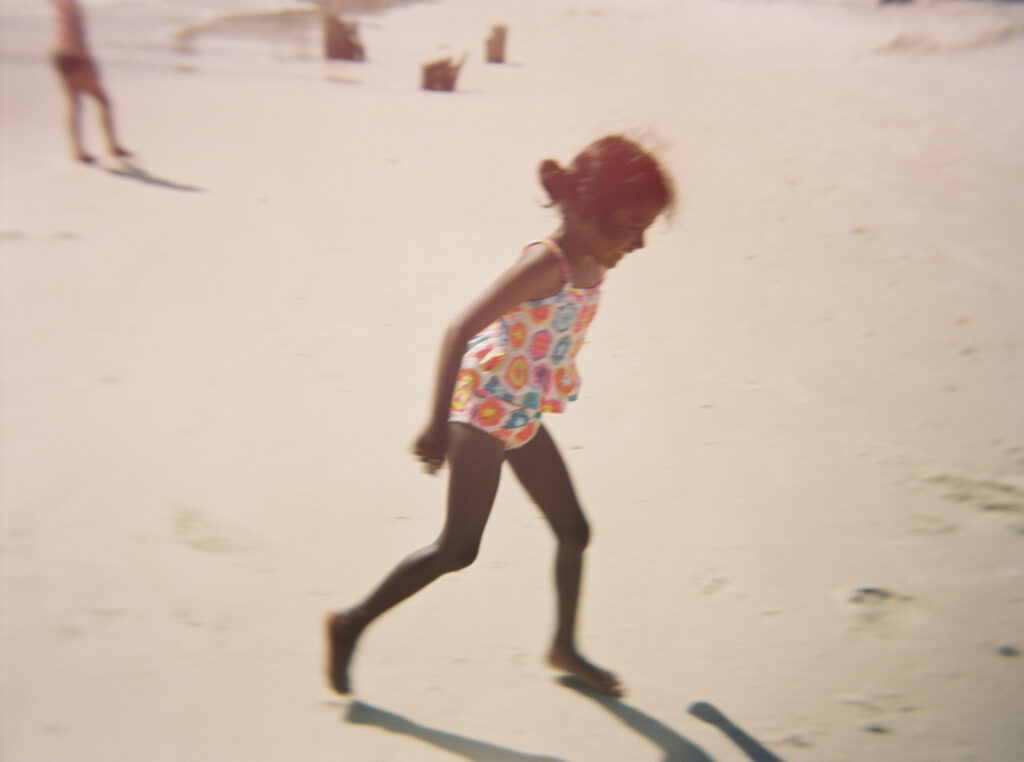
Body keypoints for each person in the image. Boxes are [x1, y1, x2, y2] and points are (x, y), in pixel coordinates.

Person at [326, 135, 675, 698]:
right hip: (482, 410)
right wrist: (438, 425)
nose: (639, 242)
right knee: (458, 550)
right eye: (632, 225)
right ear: (586, 211)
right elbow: (459, 329)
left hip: (520, 410)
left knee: (574, 531)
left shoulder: (593, 258)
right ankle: (350, 622)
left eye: (647, 227)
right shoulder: (547, 263)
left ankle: (564, 647)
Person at [50, 0, 131, 163]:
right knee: (103, 101)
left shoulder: (60, 5)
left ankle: (78, 150)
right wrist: (89, 64)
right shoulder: (72, 7)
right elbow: (75, 36)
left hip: (60, 55)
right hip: (76, 56)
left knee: (75, 104)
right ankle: (112, 146)